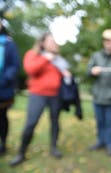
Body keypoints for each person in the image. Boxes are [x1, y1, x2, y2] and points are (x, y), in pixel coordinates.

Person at [10, 33, 67, 166]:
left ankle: (54, 148)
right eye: (50, 41)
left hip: (55, 95)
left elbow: (62, 74)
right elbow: (30, 70)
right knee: (31, 123)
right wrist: (46, 58)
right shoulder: (33, 54)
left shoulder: (58, 59)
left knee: (55, 122)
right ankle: (21, 153)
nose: (53, 44)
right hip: (38, 94)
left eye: (54, 41)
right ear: (42, 42)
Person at [0, 21, 20, 155]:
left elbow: (14, 65)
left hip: (3, 89)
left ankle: (3, 144)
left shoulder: (8, 43)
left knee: (1, 118)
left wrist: (3, 80)